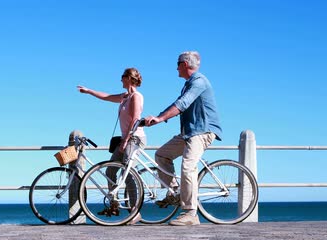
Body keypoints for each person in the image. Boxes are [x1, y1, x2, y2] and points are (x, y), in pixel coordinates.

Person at [144, 51, 222, 226]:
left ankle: (190, 213)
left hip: (202, 131)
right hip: (189, 132)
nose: (176, 67)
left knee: (187, 167)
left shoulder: (199, 82)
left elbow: (182, 104)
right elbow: (178, 103)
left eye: (177, 63)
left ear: (185, 64)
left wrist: (160, 119)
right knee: (162, 154)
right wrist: (158, 116)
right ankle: (175, 193)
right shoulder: (188, 84)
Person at [77, 68, 146, 224]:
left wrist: (126, 140)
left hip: (134, 139)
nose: (120, 79)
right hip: (125, 139)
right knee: (110, 170)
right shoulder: (124, 97)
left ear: (129, 78)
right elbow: (107, 97)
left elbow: (135, 120)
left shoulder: (136, 96)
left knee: (128, 173)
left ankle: (134, 212)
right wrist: (89, 91)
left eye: (122, 77)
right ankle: (114, 203)